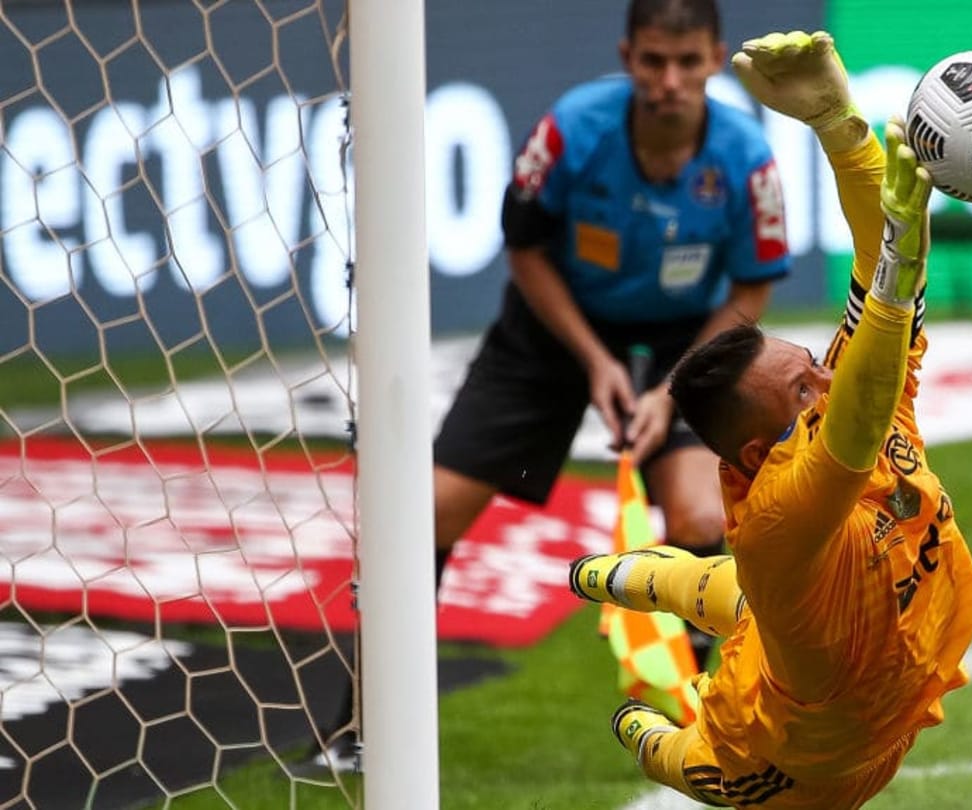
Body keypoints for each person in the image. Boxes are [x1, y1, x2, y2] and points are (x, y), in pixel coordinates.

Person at [310, 0, 791, 771]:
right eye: (654, 61)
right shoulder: (571, 130)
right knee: (426, 512)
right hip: (551, 329)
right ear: (628, 57)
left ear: (714, 58)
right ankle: (362, 725)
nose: (670, 80)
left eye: (687, 62)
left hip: (686, 342)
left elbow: (753, 285)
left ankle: (718, 724)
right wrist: (595, 360)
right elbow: (526, 250)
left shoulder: (748, 158)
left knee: (703, 514)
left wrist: (672, 386)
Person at [568, 30, 972, 809]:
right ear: (763, 453)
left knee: (740, 599)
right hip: (800, 763)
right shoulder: (784, 513)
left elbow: (879, 270)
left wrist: (839, 125)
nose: (828, 377)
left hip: (870, 677)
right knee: (684, 755)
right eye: (802, 387)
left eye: (818, 364)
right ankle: (647, 731)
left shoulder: (843, 399)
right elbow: (869, 374)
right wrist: (900, 266)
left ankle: (623, 575)